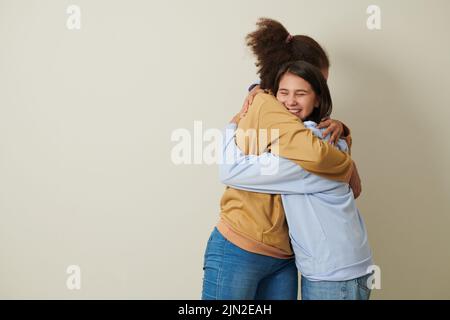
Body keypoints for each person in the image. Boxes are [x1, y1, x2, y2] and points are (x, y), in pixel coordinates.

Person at [201, 18, 360, 300]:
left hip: (284, 255)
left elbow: (314, 143)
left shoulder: (291, 113)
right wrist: (346, 166)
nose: (323, 90)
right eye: (321, 81)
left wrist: (342, 130)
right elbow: (315, 155)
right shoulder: (269, 105)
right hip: (243, 246)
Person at [220, 60, 373, 300]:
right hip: (334, 269)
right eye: (283, 93)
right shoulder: (326, 135)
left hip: (334, 275)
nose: (290, 101)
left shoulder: (308, 153)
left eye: (300, 94)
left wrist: (233, 124)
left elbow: (232, 170)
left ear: (318, 99)